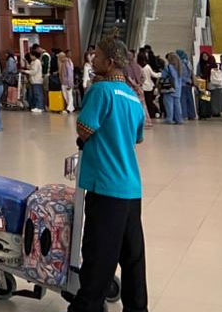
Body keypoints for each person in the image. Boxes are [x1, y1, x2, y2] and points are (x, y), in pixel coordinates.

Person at [70, 35, 147, 312]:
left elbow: (84, 129)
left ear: (110, 62)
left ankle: (86, 307)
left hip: (105, 185)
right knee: (132, 256)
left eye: (98, 56)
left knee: (99, 255)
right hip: (131, 187)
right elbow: (137, 138)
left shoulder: (101, 91)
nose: (94, 60)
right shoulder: (132, 96)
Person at [161, 52, 184, 124]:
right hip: (178, 89)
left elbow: (163, 76)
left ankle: (169, 119)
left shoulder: (168, 67)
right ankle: (179, 119)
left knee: (169, 104)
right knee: (177, 105)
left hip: (169, 88)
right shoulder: (180, 68)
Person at [140, 53, 161, 121]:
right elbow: (154, 75)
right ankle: (152, 114)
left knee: (145, 102)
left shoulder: (139, 67)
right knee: (150, 102)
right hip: (148, 87)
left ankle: (149, 114)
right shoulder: (147, 67)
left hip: (142, 87)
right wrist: (161, 74)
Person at [176, 49, 195, 120]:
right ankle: (191, 114)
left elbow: (181, 75)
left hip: (182, 84)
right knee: (190, 99)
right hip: (189, 83)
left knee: (183, 100)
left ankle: (184, 114)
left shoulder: (180, 63)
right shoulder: (188, 63)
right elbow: (191, 73)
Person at [58, 50, 75, 114]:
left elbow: (70, 74)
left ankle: (69, 109)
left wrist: (70, 84)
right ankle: (71, 108)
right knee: (66, 96)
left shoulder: (67, 62)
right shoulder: (62, 63)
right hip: (63, 82)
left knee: (69, 95)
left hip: (67, 82)